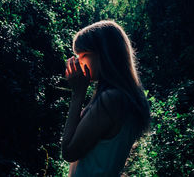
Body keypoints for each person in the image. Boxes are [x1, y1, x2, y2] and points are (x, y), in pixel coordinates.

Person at [62, 20, 151, 177]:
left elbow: (69, 152)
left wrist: (77, 94)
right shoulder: (119, 96)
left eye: (84, 55)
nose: (79, 61)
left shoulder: (111, 99)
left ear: (104, 54)